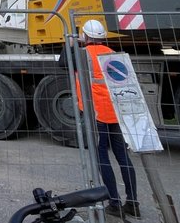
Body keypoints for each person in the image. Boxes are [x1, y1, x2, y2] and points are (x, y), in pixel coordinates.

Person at [75, 19, 140, 219]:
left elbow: (63, 62)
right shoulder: (112, 54)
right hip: (116, 112)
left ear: (85, 36)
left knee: (102, 156)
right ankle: (133, 203)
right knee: (122, 156)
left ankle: (114, 202)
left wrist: (73, 43)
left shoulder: (83, 54)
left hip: (96, 113)